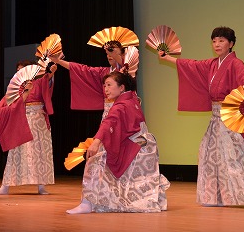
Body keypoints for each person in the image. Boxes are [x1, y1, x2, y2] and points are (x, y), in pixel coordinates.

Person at [158, 26, 244, 211]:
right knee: (210, 153)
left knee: (243, 154)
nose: (217, 44)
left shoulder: (236, 63)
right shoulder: (211, 64)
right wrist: (168, 58)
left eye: (221, 40)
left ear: (231, 44)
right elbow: (190, 65)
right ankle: (215, 196)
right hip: (216, 117)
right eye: (214, 41)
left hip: (234, 114)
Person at [66, 71, 170, 214]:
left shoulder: (121, 105)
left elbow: (109, 122)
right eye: (104, 86)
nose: (106, 89)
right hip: (144, 145)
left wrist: (96, 142)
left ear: (121, 88)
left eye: (109, 85)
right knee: (103, 159)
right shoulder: (132, 99)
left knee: (95, 162)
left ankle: (87, 203)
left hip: (136, 147)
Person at [0, 60, 57, 195]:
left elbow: (48, 84)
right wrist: (25, 92)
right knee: (15, 151)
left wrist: (50, 74)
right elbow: (7, 103)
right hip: (21, 120)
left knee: (40, 152)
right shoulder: (15, 87)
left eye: (22, 69)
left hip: (38, 120)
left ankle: (41, 186)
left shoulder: (39, 82)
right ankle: (6, 186)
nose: (20, 72)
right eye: (18, 70)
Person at [49, 41, 125, 119]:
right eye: (108, 53)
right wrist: (58, 61)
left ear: (122, 55)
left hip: (123, 109)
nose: (110, 55)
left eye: (112, 52)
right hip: (108, 111)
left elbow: (124, 63)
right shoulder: (103, 72)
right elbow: (82, 70)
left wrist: (113, 54)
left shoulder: (126, 70)